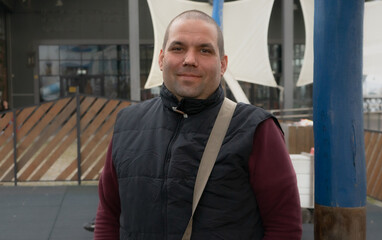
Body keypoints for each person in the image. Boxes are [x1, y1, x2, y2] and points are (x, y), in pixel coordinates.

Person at [94, 10, 302, 240]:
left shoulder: (256, 129)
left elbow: (284, 227)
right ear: (161, 58)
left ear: (222, 64)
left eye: (205, 50)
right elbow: (109, 215)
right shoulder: (128, 123)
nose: (190, 60)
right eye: (178, 48)